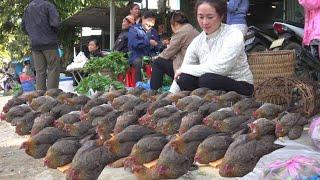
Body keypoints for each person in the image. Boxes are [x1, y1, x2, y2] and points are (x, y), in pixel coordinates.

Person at [170, 0, 254, 96]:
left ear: (221, 16)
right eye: (201, 17)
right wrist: (169, 97)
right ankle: (201, 105)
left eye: (210, 17)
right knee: (184, 78)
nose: (205, 22)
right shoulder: (197, 41)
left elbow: (220, 68)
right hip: (212, 83)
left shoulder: (234, 34)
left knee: (207, 80)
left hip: (241, 85)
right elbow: (181, 71)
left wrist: (185, 69)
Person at [150, 11, 199, 90]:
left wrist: (157, 57)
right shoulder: (193, 29)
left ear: (175, 24)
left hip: (184, 69)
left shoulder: (181, 32)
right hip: (194, 68)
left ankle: (154, 91)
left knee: (158, 62)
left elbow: (168, 53)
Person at [22, 0, 61, 91]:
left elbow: (23, 27)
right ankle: (51, 97)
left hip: (35, 45)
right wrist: (52, 34)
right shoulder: (48, 5)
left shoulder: (28, 8)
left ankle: (40, 99)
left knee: (40, 72)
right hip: (49, 44)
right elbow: (55, 24)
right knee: (53, 69)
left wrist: (33, 35)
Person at [128, 10, 158, 83]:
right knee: (138, 62)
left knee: (159, 61)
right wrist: (148, 42)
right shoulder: (134, 29)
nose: (151, 24)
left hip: (150, 56)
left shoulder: (153, 31)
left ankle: (155, 85)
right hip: (137, 56)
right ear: (143, 18)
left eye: (153, 22)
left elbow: (157, 44)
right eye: (149, 21)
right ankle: (138, 85)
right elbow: (133, 43)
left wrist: (158, 44)